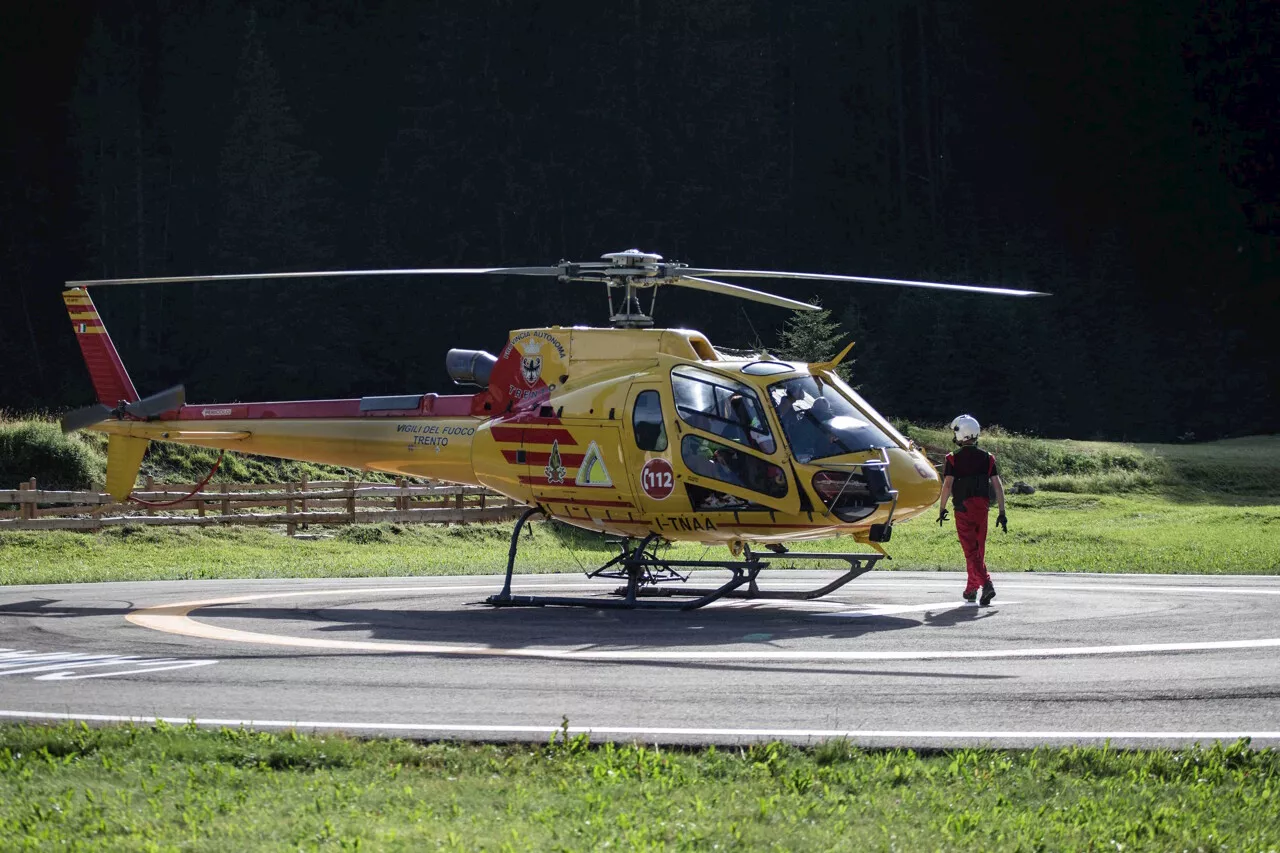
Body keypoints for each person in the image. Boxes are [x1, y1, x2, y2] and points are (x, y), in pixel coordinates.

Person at [936, 414, 1007, 605]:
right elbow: (998, 486)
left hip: (963, 508)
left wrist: (942, 508)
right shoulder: (988, 458)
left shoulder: (952, 459)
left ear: (961, 434)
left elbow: (947, 485)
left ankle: (986, 584)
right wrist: (1002, 512)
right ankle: (971, 589)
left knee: (970, 551)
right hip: (983, 508)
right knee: (978, 549)